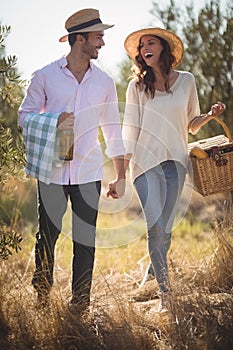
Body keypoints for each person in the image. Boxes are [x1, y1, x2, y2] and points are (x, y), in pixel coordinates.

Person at [18, 8, 126, 312]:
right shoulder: (45, 76)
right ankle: (42, 297)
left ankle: (80, 304)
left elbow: (113, 130)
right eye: (98, 37)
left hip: (89, 171)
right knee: (47, 236)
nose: (102, 43)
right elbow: (24, 117)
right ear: (80, 40)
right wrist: (54, 120)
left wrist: (120, 175)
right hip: (51, 170)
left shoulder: (104, 82)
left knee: (85, 240)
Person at [121, 27, 225, 312]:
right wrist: (121, 169)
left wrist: (210, 116)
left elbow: (191, 124)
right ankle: (167, 296)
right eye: (141, 46)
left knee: (164, 229)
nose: (144, 49)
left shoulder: (187, 81)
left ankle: (152, 273)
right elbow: (130, 127)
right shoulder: (136, 86)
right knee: (154, 226)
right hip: (144, 163)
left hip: (176, 164)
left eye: (150, 43)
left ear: (164, 49)